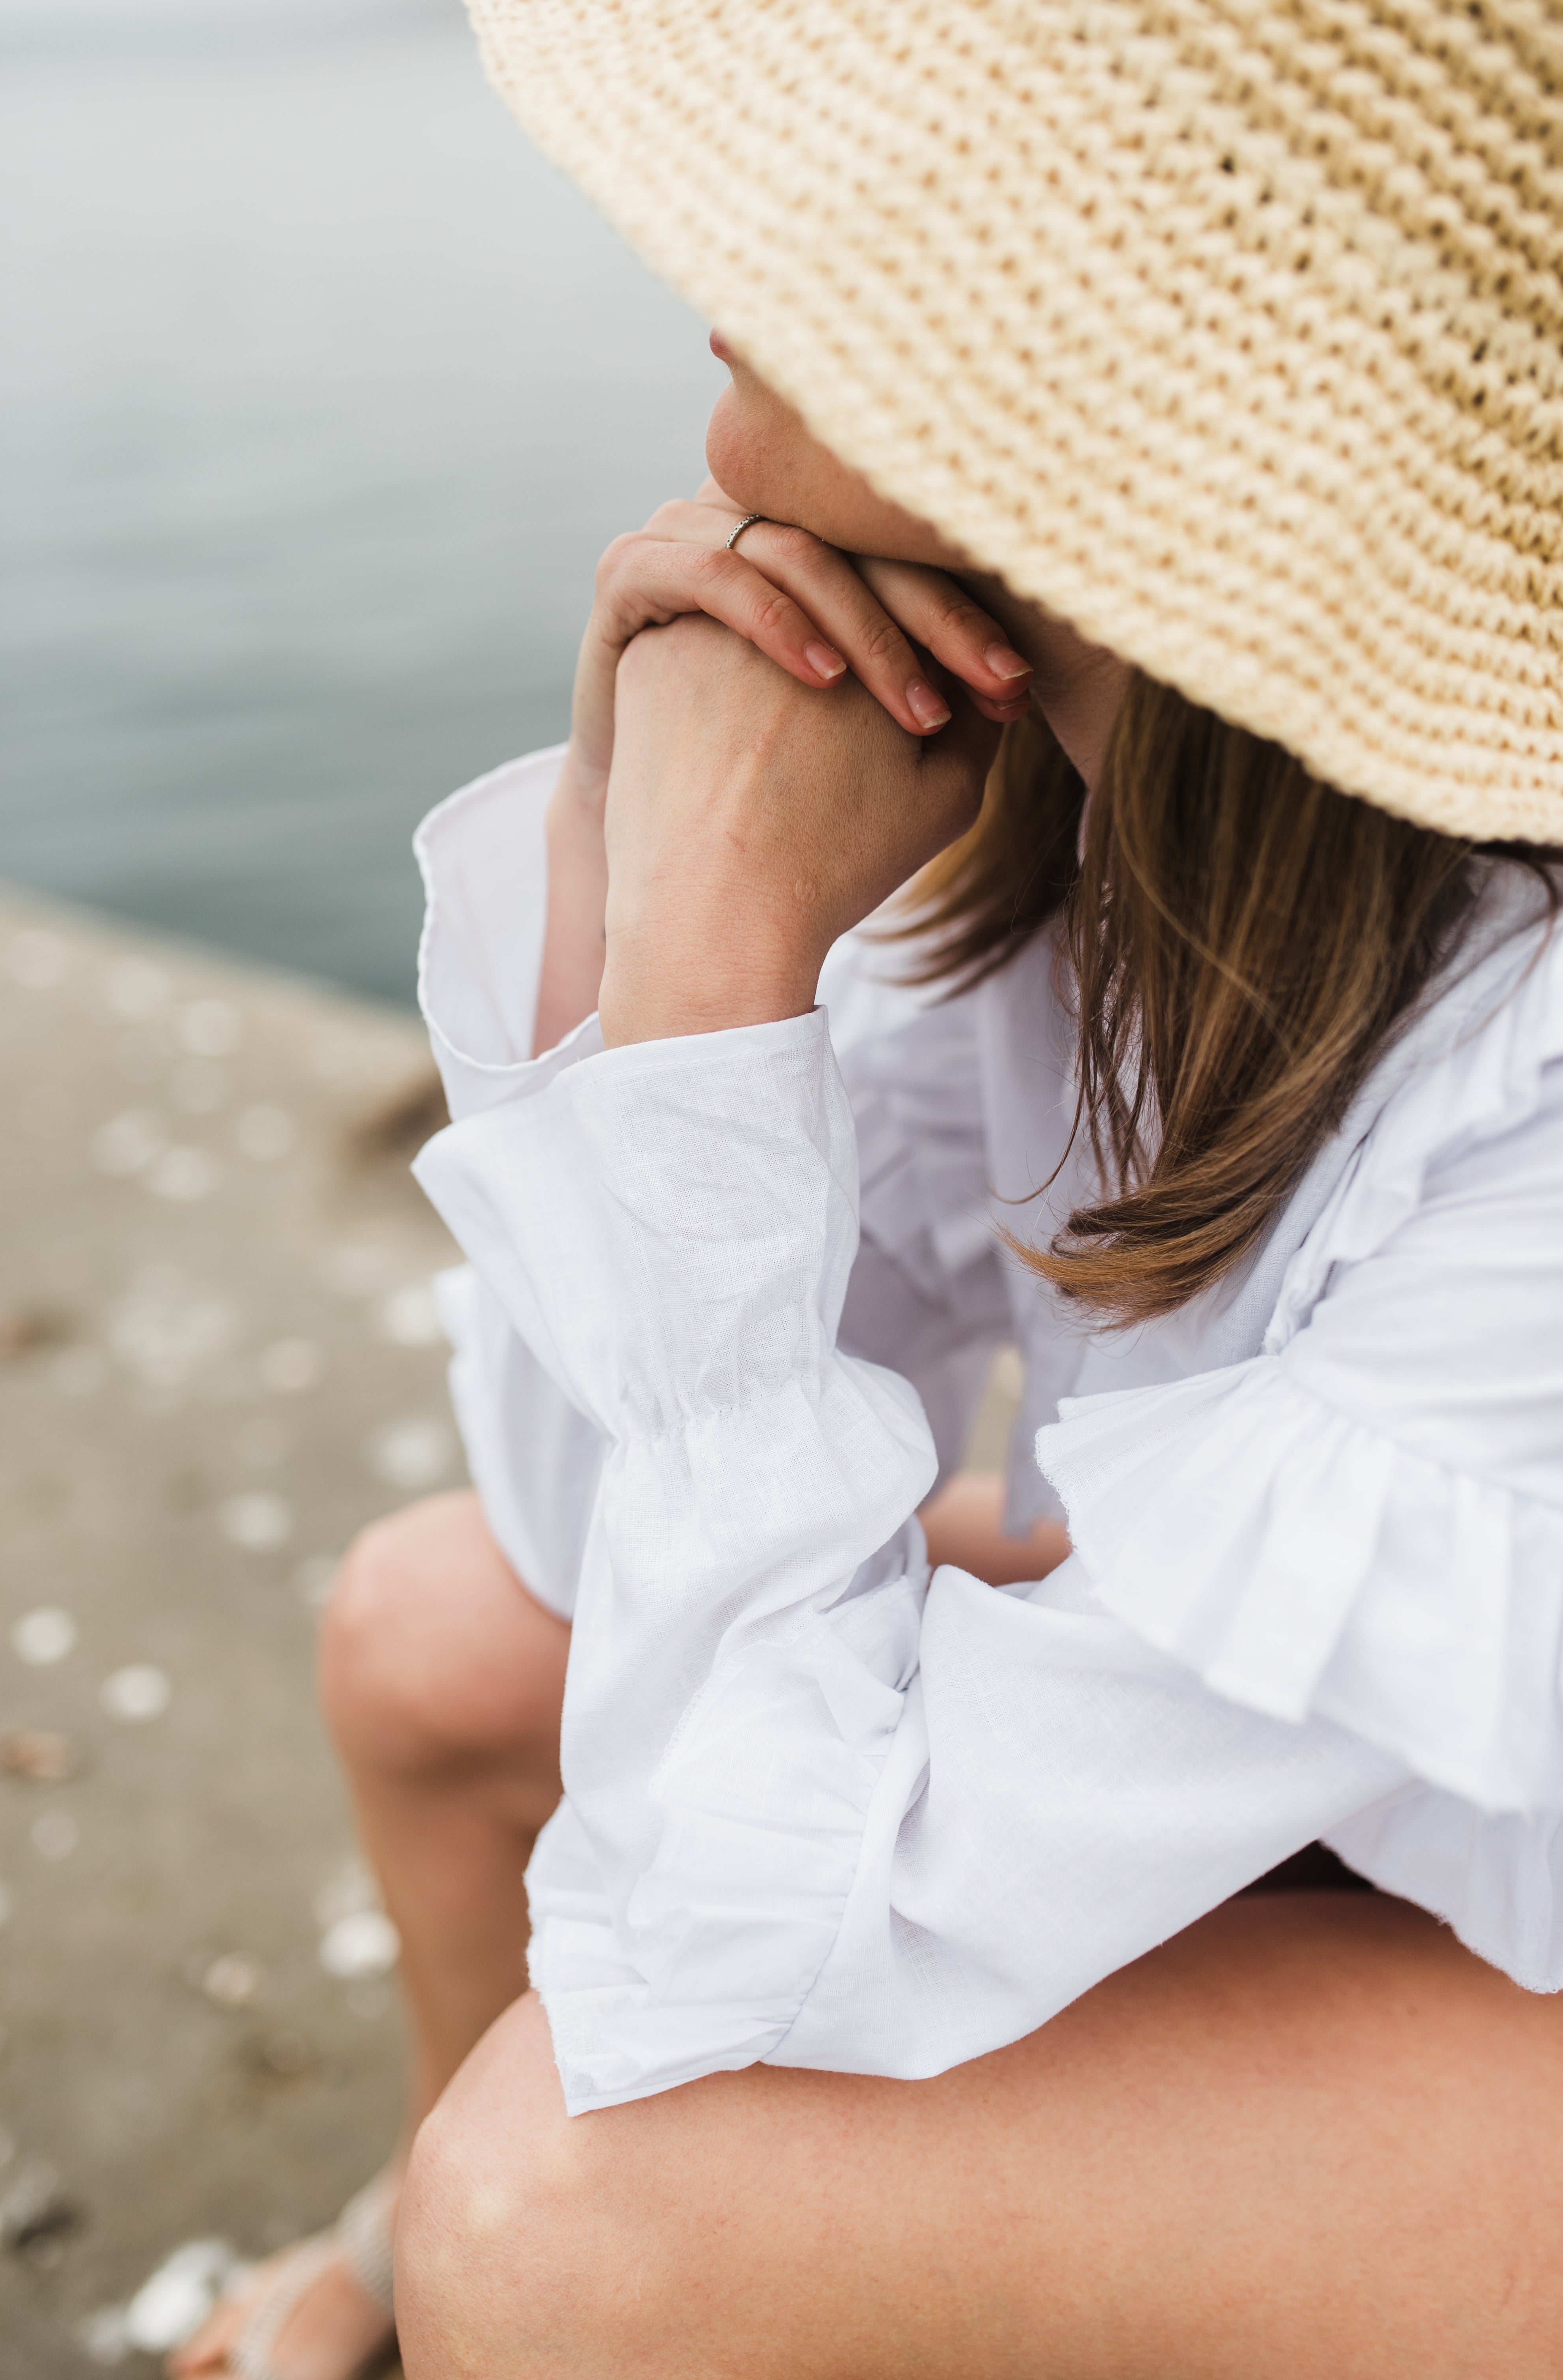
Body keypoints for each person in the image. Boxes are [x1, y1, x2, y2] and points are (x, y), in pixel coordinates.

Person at [176, 0, 1563, 2373]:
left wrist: (721, 983)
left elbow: (760, 1939)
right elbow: (568, 1528)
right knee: (435, 1636)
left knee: (577, 2207)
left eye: (922, 209)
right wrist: (648, 884)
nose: (736, 230)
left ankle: (485, 2284)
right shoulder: (1068, 810)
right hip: (1431, 1801)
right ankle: (418, 2298)